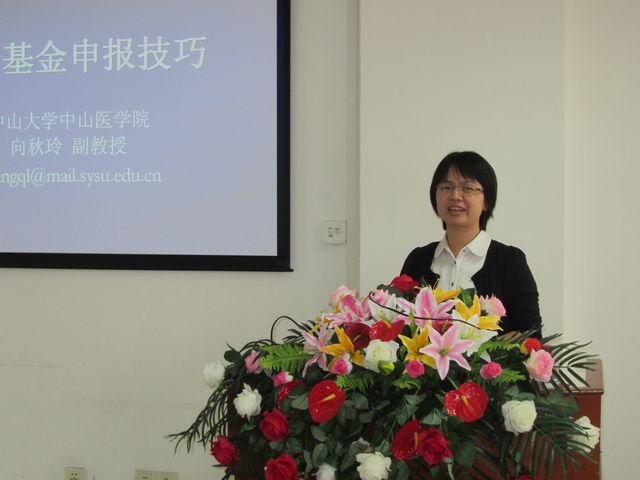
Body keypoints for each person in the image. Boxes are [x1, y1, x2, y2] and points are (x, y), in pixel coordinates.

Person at [400, 151, 541, 336]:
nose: (455, 195)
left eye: (467, 188)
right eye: (446, 187)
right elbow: (400, 326)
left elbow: (531, 335)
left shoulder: (509, 261)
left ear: (486, 201)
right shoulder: (418, 259)